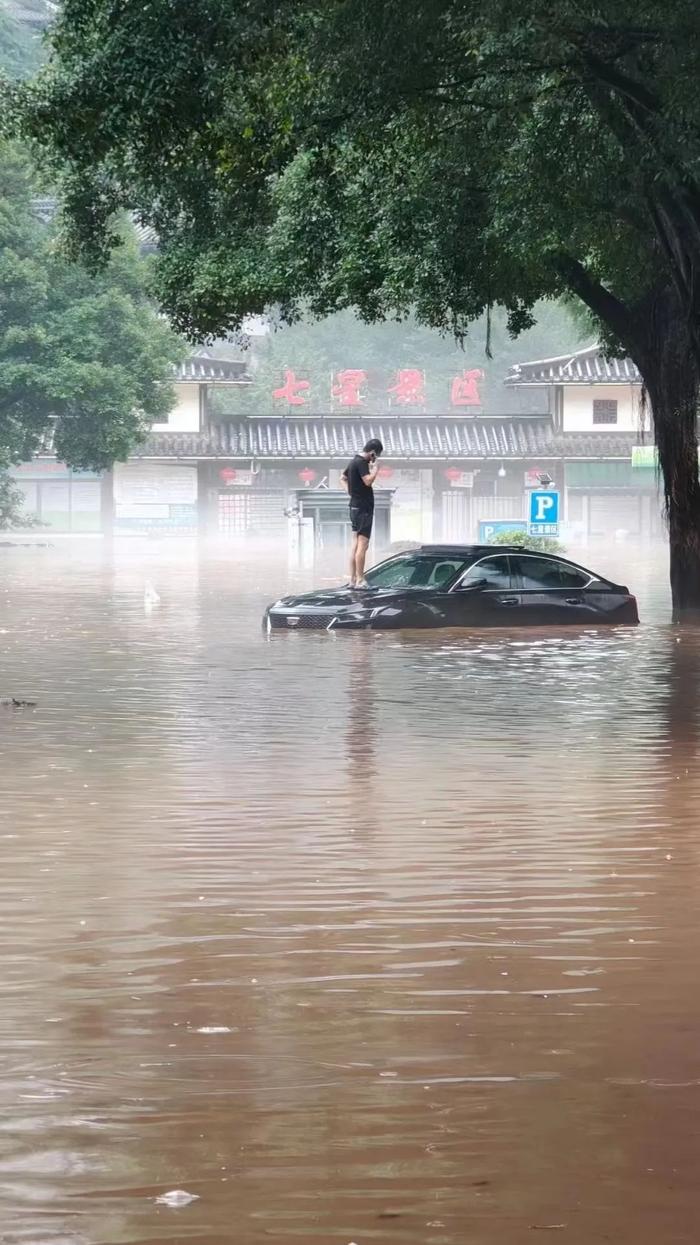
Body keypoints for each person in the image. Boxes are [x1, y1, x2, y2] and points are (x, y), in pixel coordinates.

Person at [340, 438, 384, 587]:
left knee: (355, 544)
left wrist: (351, 493)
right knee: (363, 545)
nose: (375, 458)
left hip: (354, 506)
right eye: (376, 455)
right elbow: (368, 481)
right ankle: (360, 579)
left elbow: (343, 478)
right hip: (363, 509)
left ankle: (352, 579)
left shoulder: (353, 461)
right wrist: (375, 469)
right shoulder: (361, 463)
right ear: (372, 453)